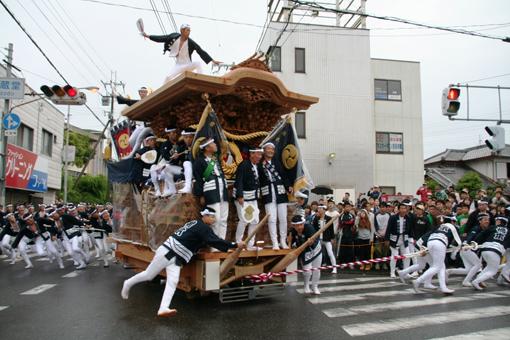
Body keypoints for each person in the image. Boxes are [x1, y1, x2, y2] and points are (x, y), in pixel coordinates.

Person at [121, 208, 243, 317]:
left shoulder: (195, 224)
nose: (213, 219)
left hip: (177, 257)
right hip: (168, 252)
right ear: (204, 216)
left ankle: (163, 308)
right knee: (149, 275)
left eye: (213, 217)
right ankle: (128, 283)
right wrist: (234, 245)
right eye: (211, 216)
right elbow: (213, 240)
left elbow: (202, 240)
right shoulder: (202, 227)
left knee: (172, 282)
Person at [141, 24, 221, 82]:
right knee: (168, 77)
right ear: (182, 31)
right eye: (187, 30)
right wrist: (148, 36)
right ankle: (162, 93)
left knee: (198, 63)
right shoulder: (174, 37)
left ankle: (201, 81)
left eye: (189, 30)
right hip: (178, 65)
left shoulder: (191, 42)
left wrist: (212, 60)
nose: (189, 32)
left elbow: (200, 51)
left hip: (188, 64)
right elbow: (162, 38)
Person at [412, 217, 461, 295]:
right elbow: (458, 242)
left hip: (430, 242)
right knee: (437, 267)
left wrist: (421, 247)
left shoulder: (439, 226)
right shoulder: (454, 228)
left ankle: (443, 287)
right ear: (452, 222)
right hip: (440, 243)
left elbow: (427, 235)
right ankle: (418, 281)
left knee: (441, 266)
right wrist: (454, 251)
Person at [192, 139, 229, 239]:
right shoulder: (199, 161)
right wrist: (200, 195)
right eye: (213, 143)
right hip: (211, 193)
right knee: (215, 219)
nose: (215, 145)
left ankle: (222, 243)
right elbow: (199, 179)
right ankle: (214, 246)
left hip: (222, 191)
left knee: (223, 219)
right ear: (207, 148)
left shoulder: (215, 159)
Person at [259, 142, 292, 250]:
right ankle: (275, 242)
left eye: (272, 149)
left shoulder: (277, 163)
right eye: (268, 149)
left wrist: (288, 186)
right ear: (264, 150)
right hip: (267, 194)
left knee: (283, 218)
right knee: (271, 219)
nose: (271, 151)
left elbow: (284, 176)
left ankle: (283, 240)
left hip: (280, 193)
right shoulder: (259, 164)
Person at [446, 213, 488, 287]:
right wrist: (466, 244)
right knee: (478, 265)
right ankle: (466, 281)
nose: (487, 221)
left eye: (488, 220)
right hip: (467, 249)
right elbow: (469, 237)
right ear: (480, 221)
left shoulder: (483, 229)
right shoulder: (476, 228)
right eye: (485, 220)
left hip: (467, 250)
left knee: (468, 270)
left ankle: (449, 271)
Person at [234, 148, 263, 250]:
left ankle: (250, 244)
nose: (260, 156)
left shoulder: (256, 166)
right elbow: (239, 180)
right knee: (244, 220)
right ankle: (238, 243)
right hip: (244, 198)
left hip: (253, 198)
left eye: (260, 154)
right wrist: (240, 195)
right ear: (252, 154)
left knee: (255, 220)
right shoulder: (244, 165)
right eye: (258, 154)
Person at [471, 215, 510, 290]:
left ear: (499, 221)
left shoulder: (493, 227)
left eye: (496, 221)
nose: (495, 222)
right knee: (493, 270)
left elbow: (481, 235)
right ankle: (476, 281)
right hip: (495, 251)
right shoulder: (508, 231)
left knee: (489, 267)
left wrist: (475, 243)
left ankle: (479, 279)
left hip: (485, 249)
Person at [290, 214, 322, 295]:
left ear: (303, 223)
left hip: (315, 249)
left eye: (301, 224)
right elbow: (290, 244)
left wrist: (311, 241)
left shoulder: (309, 228)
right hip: (304, 252)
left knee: (316, 270)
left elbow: (312, 239)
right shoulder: (292, 231)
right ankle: (306, 286)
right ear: (293, 225)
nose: (299, 227)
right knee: (307, 271)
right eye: (296, 225)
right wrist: (290, 242)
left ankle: (315, 287)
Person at [149, 128, 182, 197]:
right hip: (165, 166)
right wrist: (171, 157)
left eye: (175, 132)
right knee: (153, 168)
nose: (175, 134)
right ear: (168, 134)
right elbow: (165, 156)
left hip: (176, 167)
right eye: (172, 133)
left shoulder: (181, 144)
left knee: (166, 168)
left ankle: (167, 190)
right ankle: (157, 190)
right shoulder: (165, 144)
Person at [386, 202, 411, 278]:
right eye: (402, 208)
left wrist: (411, 238)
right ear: (399, 209)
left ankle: (406, 272)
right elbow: (388, 229)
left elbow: (410, 229)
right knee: (394, 256)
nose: (404, 210)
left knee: (407, 255)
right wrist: (387, 239)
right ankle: (392, 272)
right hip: (394, 239)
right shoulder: (393, 217)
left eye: (405, 208)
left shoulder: (408, 218)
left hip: (404, 238)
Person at [313, 205, 335, 273]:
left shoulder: (329, 218)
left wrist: (332, 238)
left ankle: (334, 268)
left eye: (320, 209)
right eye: (318, 208)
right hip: (319, 239)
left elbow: (331, 229)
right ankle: (317, 267)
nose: (319, 210)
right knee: (317, 253)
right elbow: (314, 229)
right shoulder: (316, 218)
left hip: (327, 238)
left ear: (324, 210)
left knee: (330, 253)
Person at [374, 202, 391, 270]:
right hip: (378, 235)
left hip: (386, 236)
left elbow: (390, 226)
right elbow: (375, 225)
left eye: (384, 207)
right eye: (381, 207)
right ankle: (377, 263)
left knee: (385, 250)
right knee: (377, 249)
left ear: (386, 208)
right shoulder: (376, 215)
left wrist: (387, 235)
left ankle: (384, 263)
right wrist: (378, 234)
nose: (382, 209)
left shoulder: (389, 215)